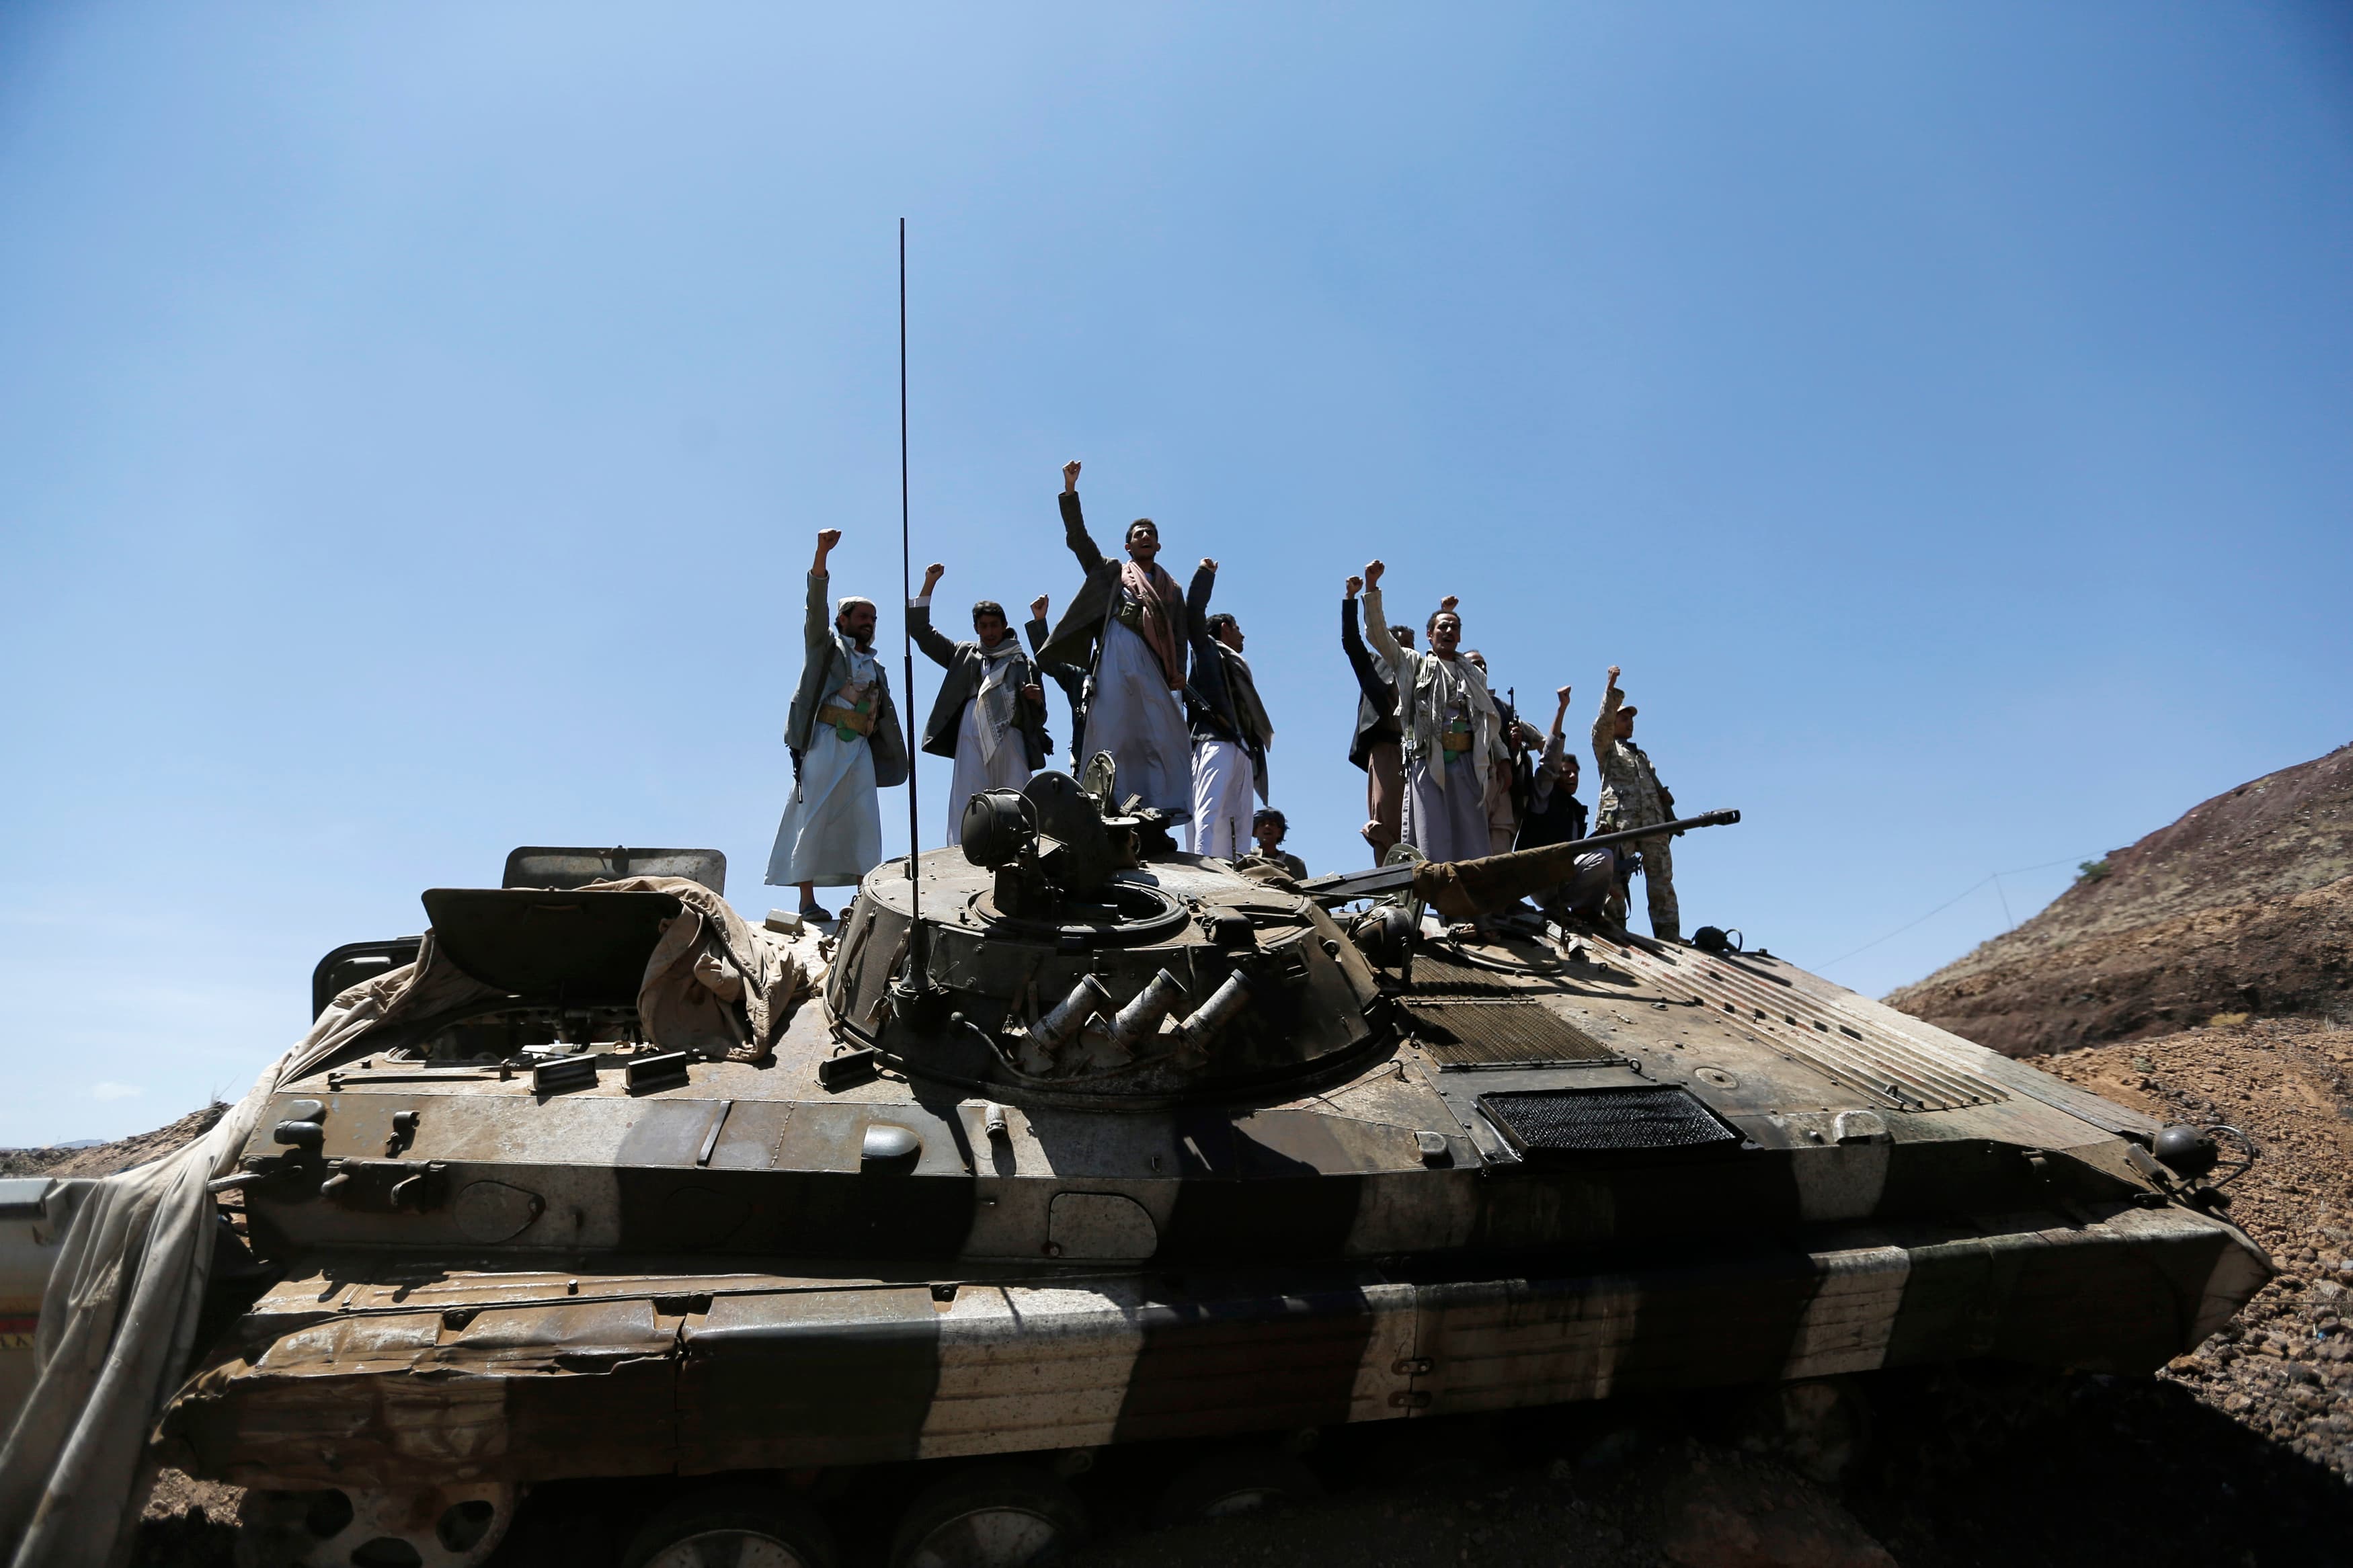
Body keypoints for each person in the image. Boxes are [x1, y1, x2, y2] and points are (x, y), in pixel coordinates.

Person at [1034, 460, 1191, 817]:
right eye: (1139, 534)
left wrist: (1179, 672)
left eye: (1150, 534)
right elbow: (1079, 540)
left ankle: (1158, 803)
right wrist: (1070, 490)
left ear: (1158, 545)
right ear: (1128, 546)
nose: (1145, 537)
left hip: (1154, 665)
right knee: (1112, 729)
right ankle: (1106, 802)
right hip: (1116, 656)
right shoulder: (1111, 572)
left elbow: (1178, 634)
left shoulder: (1171, 588)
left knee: (1158, 733)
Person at [766, 529, 907, 921]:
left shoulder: (875, 666)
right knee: (813, 816)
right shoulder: (826, 648)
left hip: (858, 747)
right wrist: (821, 555)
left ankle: (864, 900)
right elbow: (815, 609)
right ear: (843, 620)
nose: (869, 624)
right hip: (825, 741)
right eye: (862, 617)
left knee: (864, 820)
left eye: (873, 619)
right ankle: (807, 901)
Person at [1359, 560, 1504, 864]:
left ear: (1460, 637)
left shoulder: (1474, 676)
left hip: (1468, 763)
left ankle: (1471, 893)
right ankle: (1436, 894)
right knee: (1433, 841)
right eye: (1443, 627)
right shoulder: (1413, 664)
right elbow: (1379, 636)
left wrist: (1501, 759)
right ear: (1430, 635)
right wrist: (1372, 588)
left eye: (1454, 627)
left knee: (1473, 841)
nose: (1449, 631)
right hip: (1429, 759)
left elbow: (1487, 721)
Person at [910, 563, 1050, 845]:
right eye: (984, 626)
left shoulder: (1022, 662)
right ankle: (965, 849)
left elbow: (1040, 716)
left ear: (1004, 625)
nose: (989, 631)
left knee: (1016, 793)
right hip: (972, 731)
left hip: (1010, 733)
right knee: (969, 793)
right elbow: (921, 632)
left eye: (994, 625)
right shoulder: (964, 654)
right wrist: (929, 584)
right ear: (976, 628)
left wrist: (1035, 701)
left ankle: (1023, 851)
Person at [1182, 559, 1273, 858]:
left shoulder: (1237, 666)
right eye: (1238, 628)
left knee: (1240, 822)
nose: (1243, 635)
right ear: (1225, 628)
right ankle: (1202, 866)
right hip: (1215, 740)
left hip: (1242, 747)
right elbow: (1193, 612)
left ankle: (1238, 873)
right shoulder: (1207, 650)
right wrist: (1205, 575)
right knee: (1207, 810)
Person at [1593, 665, 1680, 942]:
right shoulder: (1607, 749)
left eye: (1631, 719)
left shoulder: (1640, 755)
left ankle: (1669, 934)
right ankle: (1613, 929)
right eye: (1624, 718)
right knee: (1615, 878)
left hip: (1653, 824)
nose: (1629, 722)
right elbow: (1601, 726)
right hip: (1620, 824)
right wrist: (1610, 690)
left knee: (1662, 879)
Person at [1341, 575, 1414, 863]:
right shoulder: (1374, 664)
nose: (1408, 649)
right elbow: (1351, 642)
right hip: (1385, 748)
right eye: (1403, 643)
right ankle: (1388, 876)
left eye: (1412, 644)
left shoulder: (1419, 672)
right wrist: (1350, 599)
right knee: (1386, 815)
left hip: (1416, 752)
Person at [1023, 593, 1092, 771]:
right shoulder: (1080, 676)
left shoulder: (1126, 668)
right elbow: (1050, 663)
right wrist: (1040, 620)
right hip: (1086, 760)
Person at [1238, 808, 1308, 879]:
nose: (1267, 827)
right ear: (1255, 832)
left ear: (1279, 832)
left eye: (1272, 824)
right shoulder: (1245, 858)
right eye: (1262, 824)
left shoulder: (1296, 864)